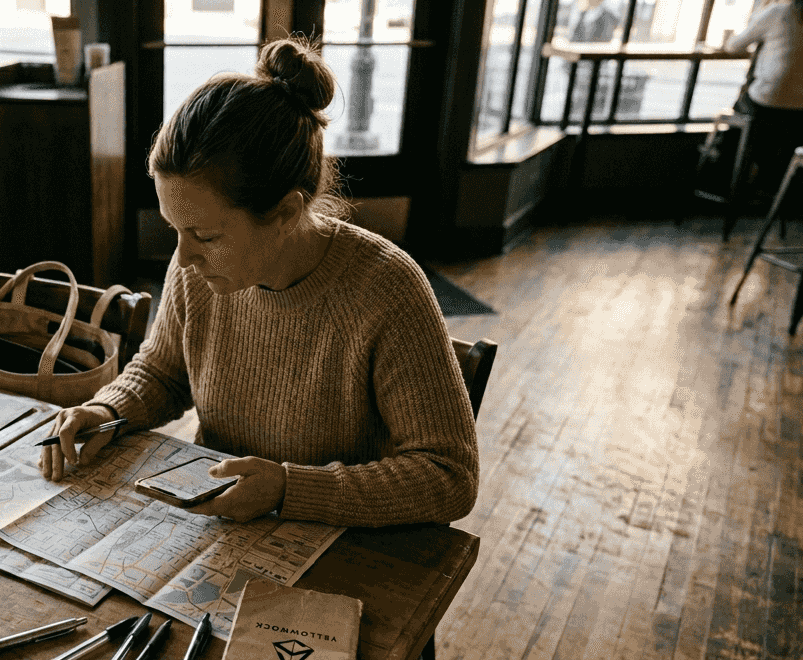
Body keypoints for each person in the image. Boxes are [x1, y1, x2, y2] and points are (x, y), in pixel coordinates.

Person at [38, 37, 479, 529]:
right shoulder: (201, 269)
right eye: (175, 229)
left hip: (337, 545)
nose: (183, 258)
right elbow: (164, 372)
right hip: (217, 523)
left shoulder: (387, 290)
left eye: (204, 234)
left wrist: (290, 490)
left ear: (287, 213)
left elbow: (449, 475)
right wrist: (107, 409)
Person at [724, 0, 803, 195]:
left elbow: (734, 46)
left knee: (742, 109)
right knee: (779, 133)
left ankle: (731, 177)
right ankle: (770, 184)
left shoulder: (777, 12)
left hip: (770, 100)